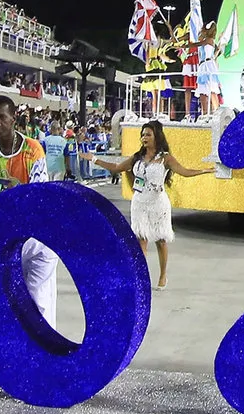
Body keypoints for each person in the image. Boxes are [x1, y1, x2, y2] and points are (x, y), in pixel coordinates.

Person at [81, 119, 213, 288]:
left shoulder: (165, 158)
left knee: (161, 240)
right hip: (139, 203)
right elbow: (116, 168)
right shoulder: (137, 157)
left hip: (158, 203)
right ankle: (142, 278)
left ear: (157, 136)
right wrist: (94, 159)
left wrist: (204, 170)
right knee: (140, 240)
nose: (144, 138)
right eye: (143, 135)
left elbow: (184, 172)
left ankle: (163, 275)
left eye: (148, 135)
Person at [0, 95, 59, 325]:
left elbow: (38, 195)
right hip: (3, 237)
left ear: (13, 118)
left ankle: (43, 346)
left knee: (38, 303)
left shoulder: (33, 150)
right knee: (3, 302)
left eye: (2, 117)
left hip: (36, 239)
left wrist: (15, 195)